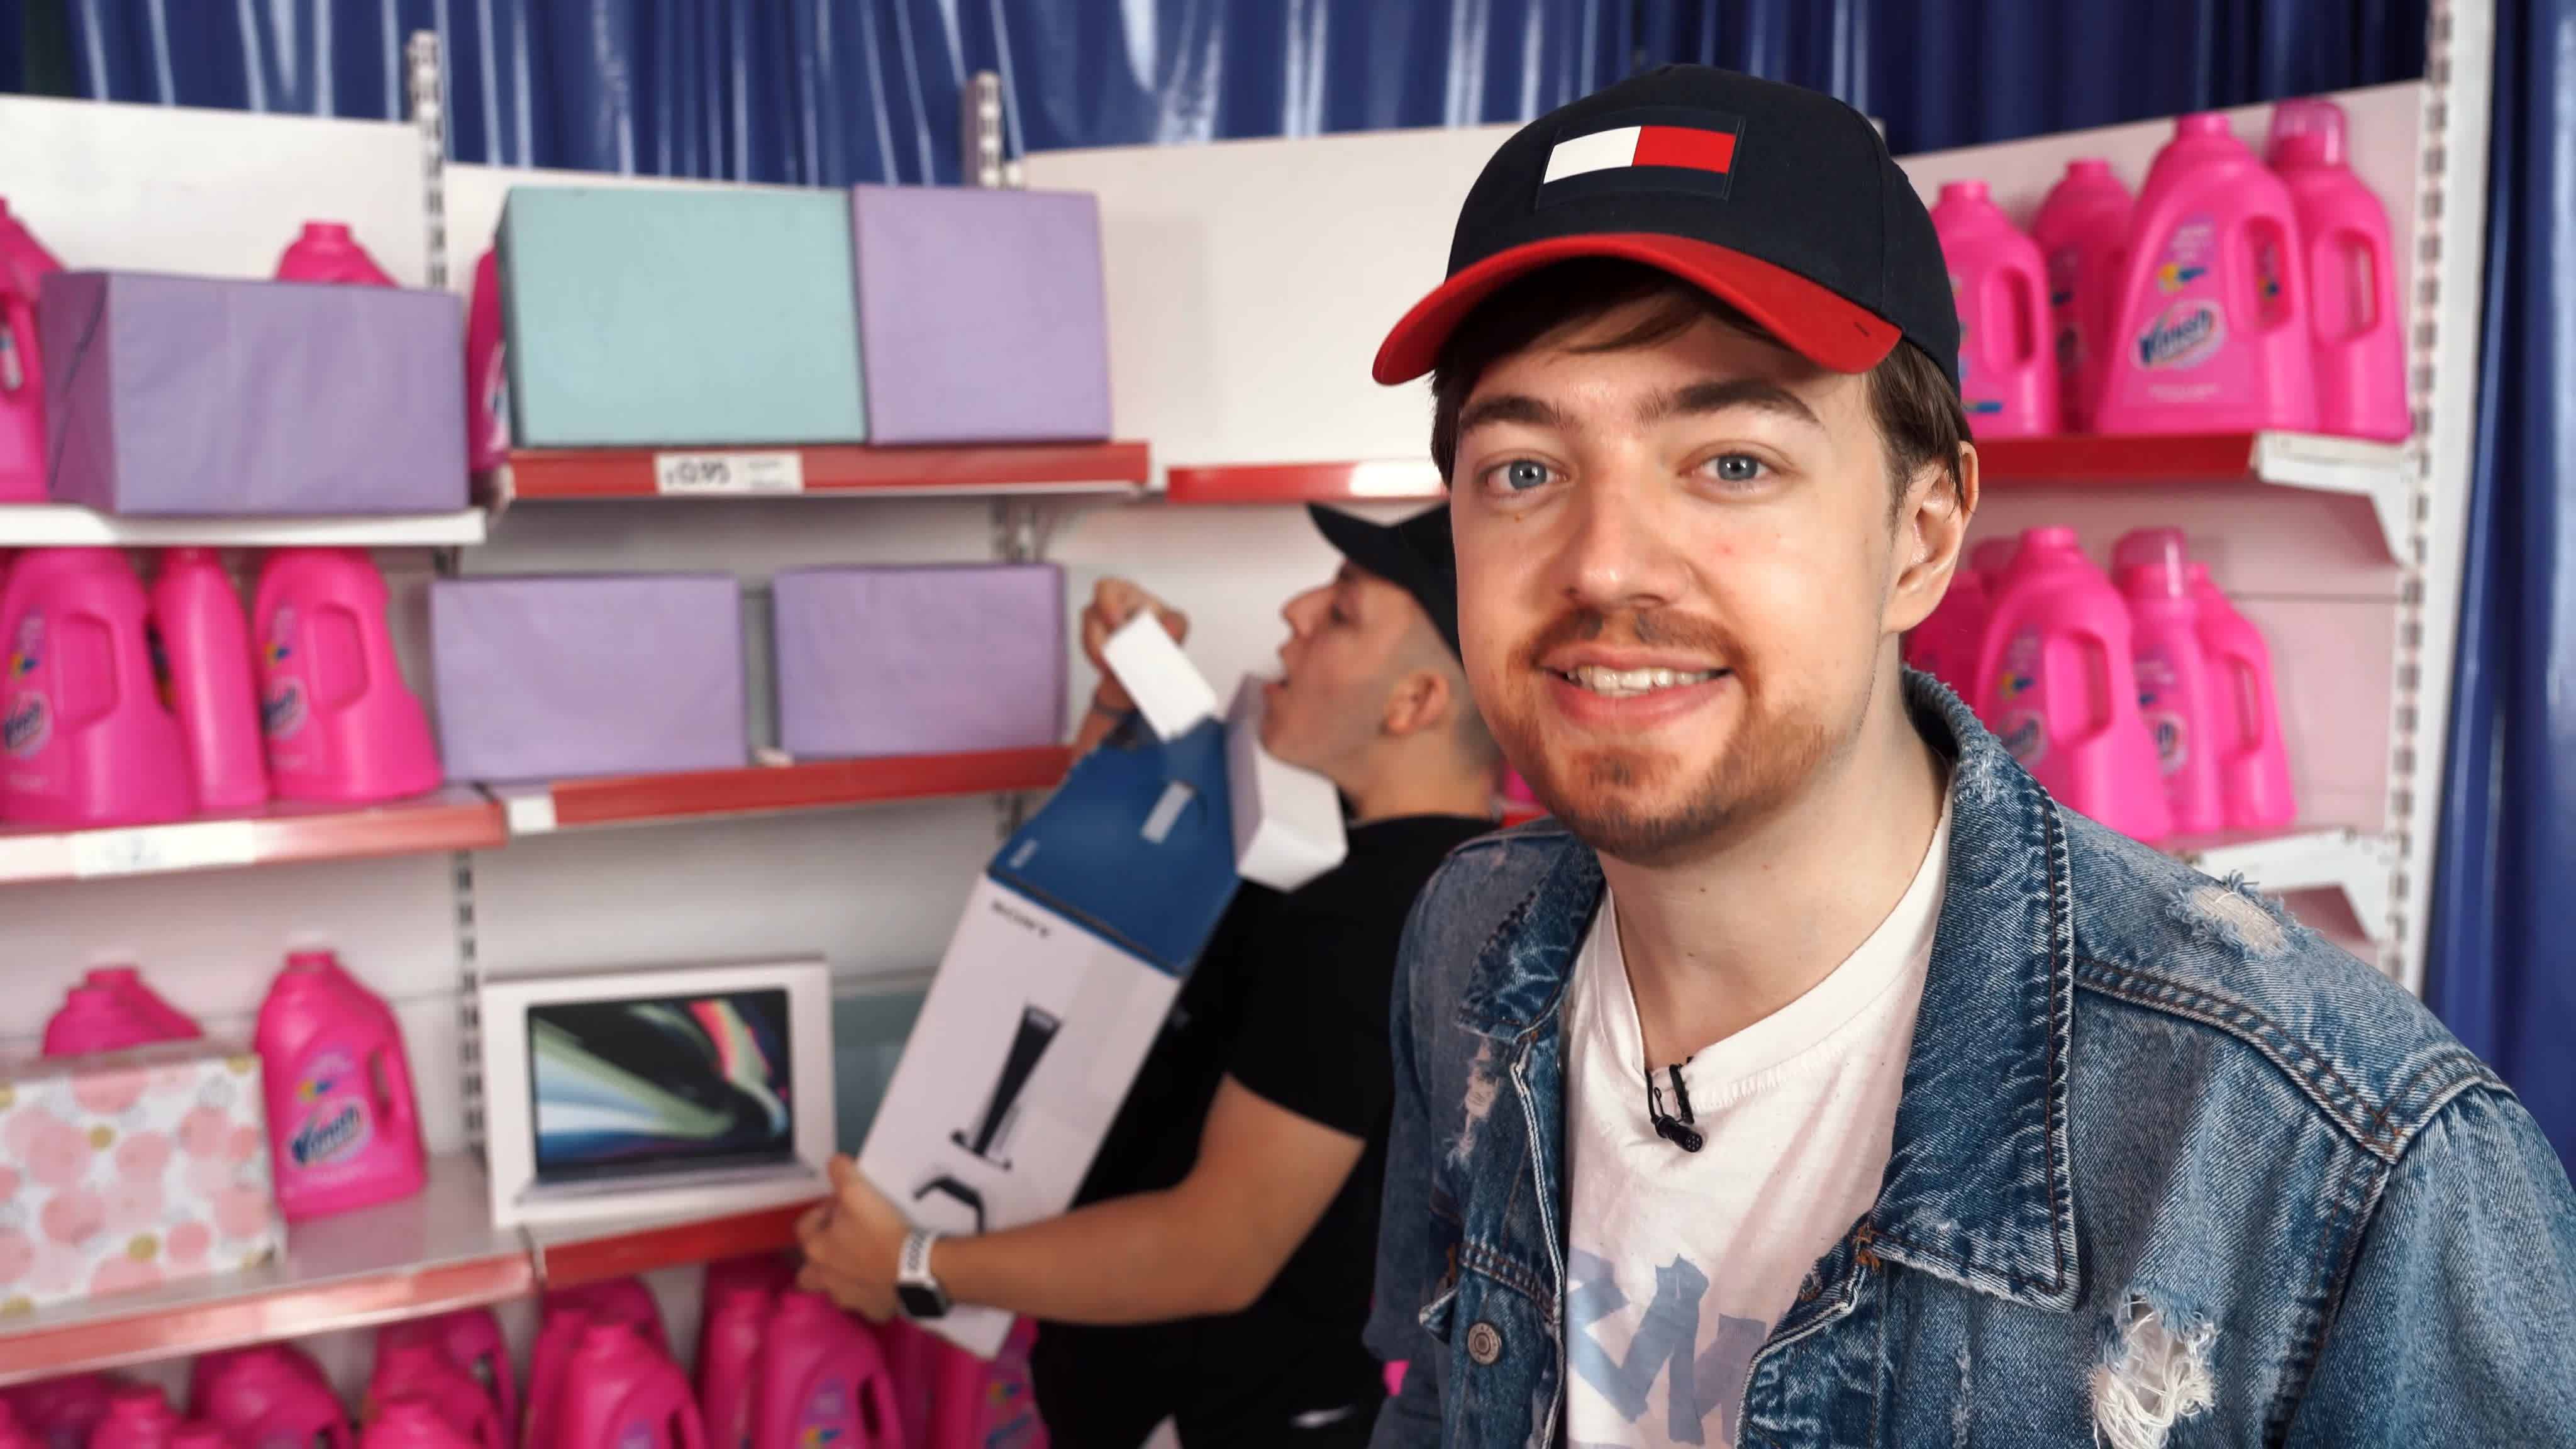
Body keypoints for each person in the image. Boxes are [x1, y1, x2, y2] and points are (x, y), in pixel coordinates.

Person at [1362, 64, 2576, 1449]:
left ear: (1922, 536)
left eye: (1733, 463)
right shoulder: (1471, 946)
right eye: (1523, 471)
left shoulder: (2332, 1159)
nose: (1603, 565)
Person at [796, 503, 1501, 1448]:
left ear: (1413, 703)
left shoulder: (1370, 916)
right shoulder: (1361, 851)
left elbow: (1217, 1250)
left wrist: (917, 1266)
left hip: (1220, 1416)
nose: (1293, 613)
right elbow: (1113, 901)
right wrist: (1122, 704)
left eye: (1340, 613)